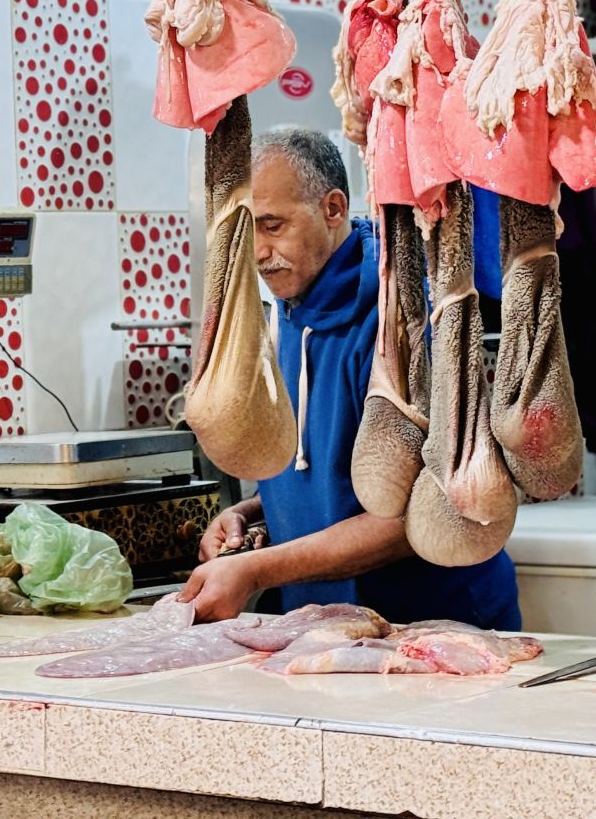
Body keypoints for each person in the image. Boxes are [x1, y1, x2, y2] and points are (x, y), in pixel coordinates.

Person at [178, 126, 521, 629]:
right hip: (323, 625)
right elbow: (328, 476)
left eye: (273, 226)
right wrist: (254, 514)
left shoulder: (403, 320)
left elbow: (418, 516)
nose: (258, 252)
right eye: (247, 232)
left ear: (334, 208)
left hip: (433, 625)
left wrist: (255, 571)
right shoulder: (284, 314)